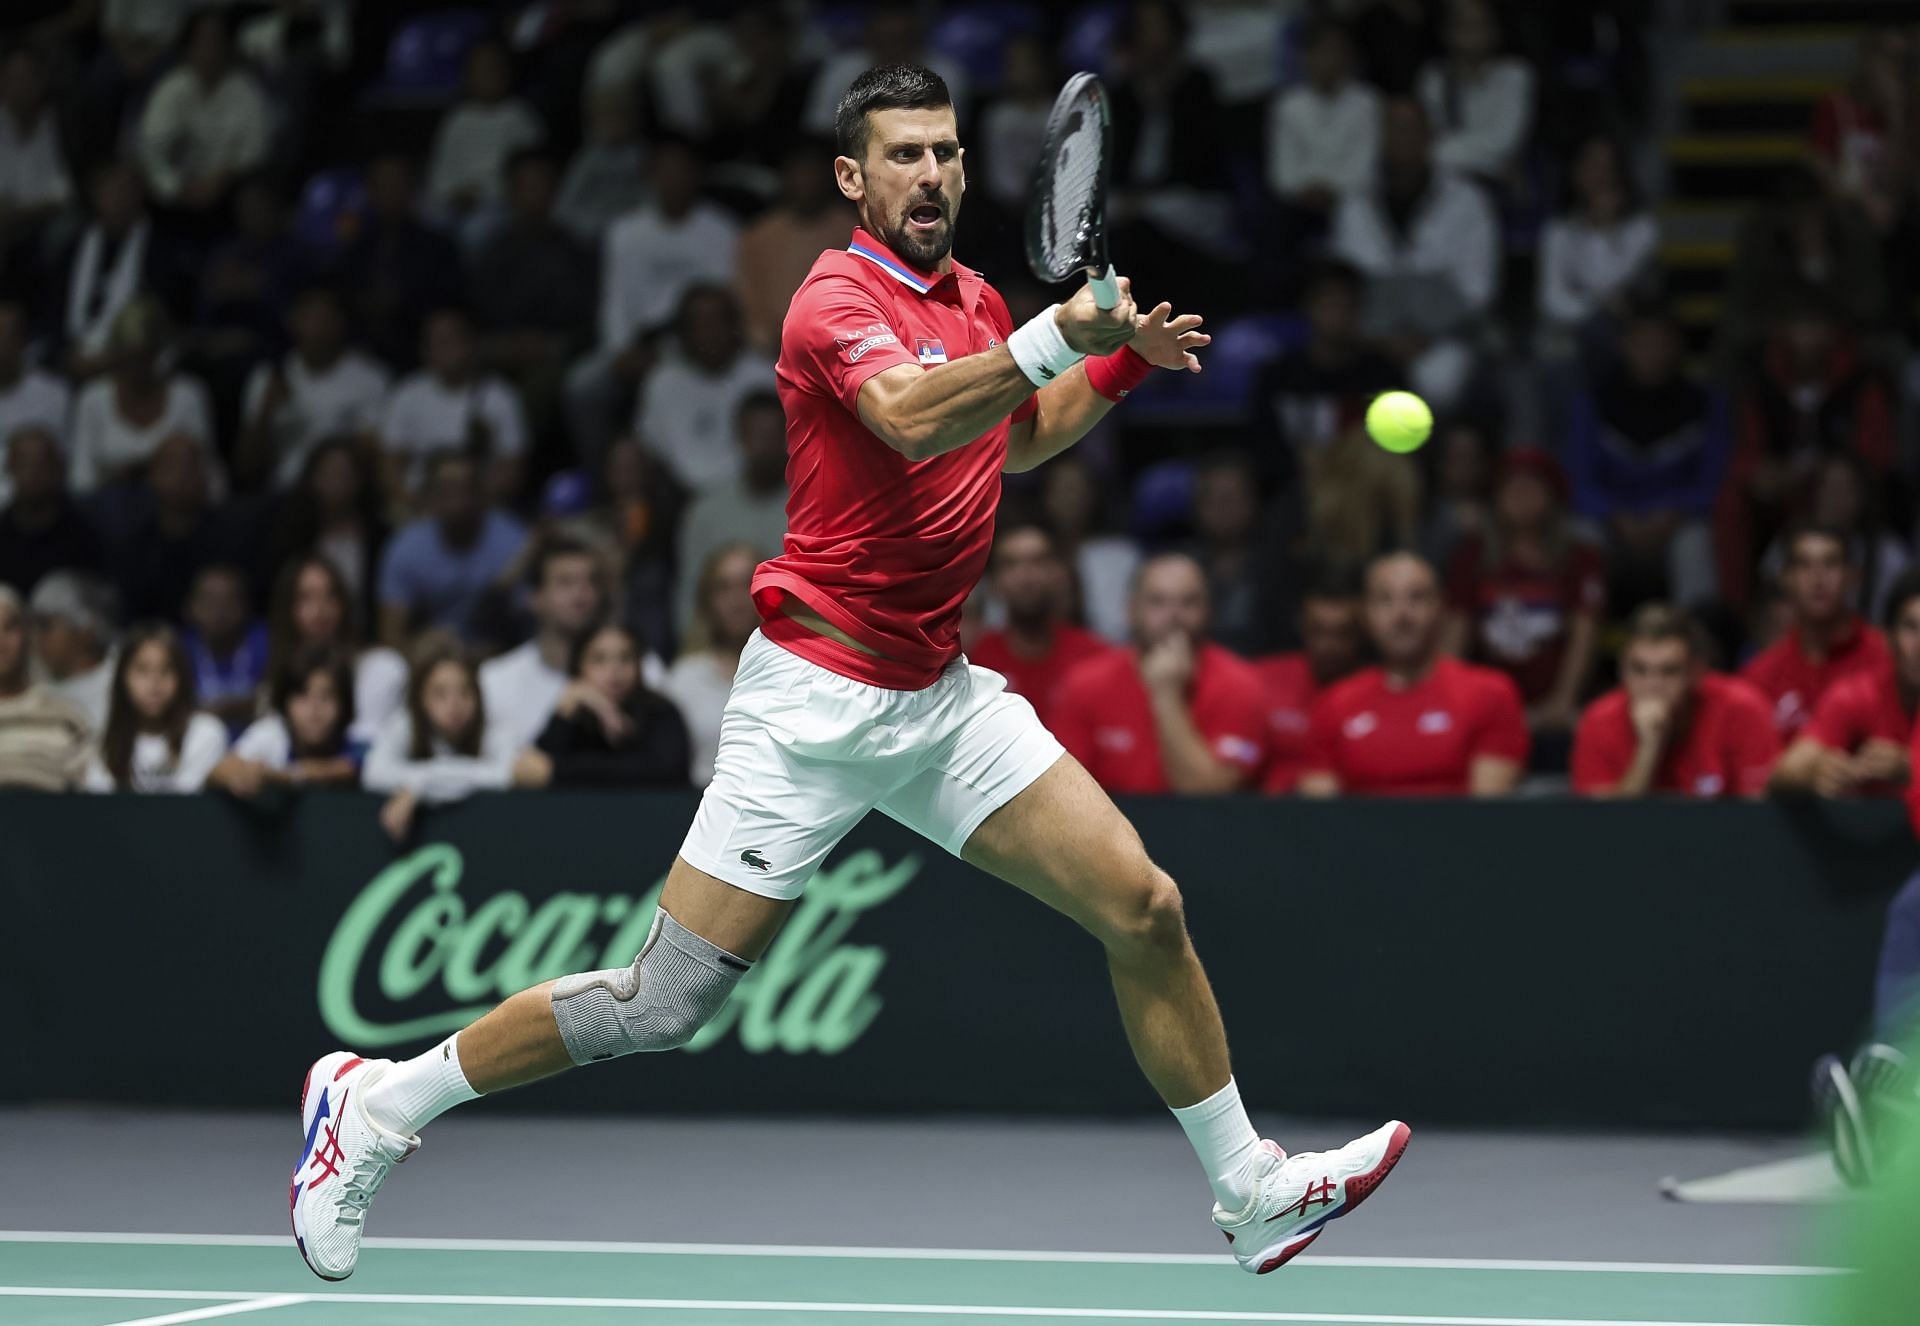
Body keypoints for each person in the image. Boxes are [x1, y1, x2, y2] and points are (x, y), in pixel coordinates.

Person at [291, 64, 1409, 1288]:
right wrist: (1051, 338)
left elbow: (1017, 438)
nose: (927, 174)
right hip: (814, 708)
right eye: (902, 156)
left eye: (944, 153)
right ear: (853, 178)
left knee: (1144, 906)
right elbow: (912, 417)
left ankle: (1246, 1188)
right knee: (660, 1007)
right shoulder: (829, 300)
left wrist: (1119, 365)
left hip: (941, 696)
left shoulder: (979, 296)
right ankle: (381, 1104)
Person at [1299, 550, 1528, 796]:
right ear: (1365, 614)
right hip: (1357, 834)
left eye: (1417, 598)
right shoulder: (1333, 704)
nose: (1402, 614)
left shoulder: (1490, 694)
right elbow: (1321, 820)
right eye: (1385, 600)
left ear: (1440, 607)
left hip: (1459, 833)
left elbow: (1489, 815)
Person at [1332, 97, 1499, 411]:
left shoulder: (1468, 201)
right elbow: (1345, 285)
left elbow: (1479, 289)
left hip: (1444, 340)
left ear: (1429, 135)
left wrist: (1425, 335)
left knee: (1440, 383)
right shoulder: (1353, 203)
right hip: (1371, 341)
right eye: (1394, 128)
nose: (1402, 137)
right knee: (1353, 389)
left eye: (1411, 128)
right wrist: (1380, 340)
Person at [1053, 553, 1269, 795]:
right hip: (1107, 829)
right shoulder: (1085, 683)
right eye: (1158, 602)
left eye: (1189, 602)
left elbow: (1208, 797)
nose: (1174, 616)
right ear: (1131, 609)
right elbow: (1065, 792)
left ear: (1208, 610)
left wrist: (1166, 694)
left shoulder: (1240, 685)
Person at [1565, 306, 1726, 611]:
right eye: (1642, 343)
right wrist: (1615, 514)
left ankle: (1698, 637)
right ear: (1624, 346)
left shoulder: (1705, 404)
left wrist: (1676, 512)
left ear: (1678, 347)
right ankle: (1579, 638)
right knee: (1581, 535)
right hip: (1613, 528)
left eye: (1661, 343)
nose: (1651, 353)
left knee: (1697, 540)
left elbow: (1714, 479)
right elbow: (1578, 479)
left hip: (1676, 526)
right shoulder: (1594, 403)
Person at [1442, 449, 1604, 744]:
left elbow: (1584, 632)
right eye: (1512, 487)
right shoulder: (1473, 554)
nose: (1521, 497)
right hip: (1485, 702)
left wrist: (1562, 701)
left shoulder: (1579, 557)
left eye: (1531, 487)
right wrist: (1447, 699)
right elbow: (1456, 630)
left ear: (1552, 496)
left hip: (1554, 705)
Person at [1571, 603, 1779, 798]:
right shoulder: (1598, 722)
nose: (1652, 685)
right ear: (1622, 671)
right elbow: (1601, 829)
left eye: (1669, 671)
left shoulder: (1742, 708)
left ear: (1695, 672)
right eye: (1639, 670)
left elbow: (1760, 817)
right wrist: (1648, 749)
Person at [1248, 261, 1397, 489]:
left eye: (1346, 306)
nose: (1338, 316)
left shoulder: (1383, 375)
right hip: (1295, 493)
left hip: (1367, 492)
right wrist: (1300, 462)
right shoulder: (1277, 376)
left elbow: (1398, 447)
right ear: (1308, 308)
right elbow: (1261, 450)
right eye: (1329, 305)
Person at [1773, 571, 1920, 798]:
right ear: (1889, 638)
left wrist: (1911, 770)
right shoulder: (1858, 695)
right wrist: (1816, 772)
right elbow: (1784, 773)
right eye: (1911, 628)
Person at [1742, 525, 1892, 741]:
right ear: (1786, 578)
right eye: (1804, 565)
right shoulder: (1759, 677)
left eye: (1830, 563)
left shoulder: (1888, 657)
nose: (1818, 577)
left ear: (1852, 574)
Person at [363, 633, 515, 841]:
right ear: (420, 699)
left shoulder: (491, 730)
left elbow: (508, 774)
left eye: (465, 692)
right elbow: (373, 772)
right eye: (440, 693)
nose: (455, 705)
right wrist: (423, 783)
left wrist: (419, 788)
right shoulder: (405, 724)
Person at [237, 286, 390, 491]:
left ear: (341, 323)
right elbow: (246, 466)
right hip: (283, 490)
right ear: (293, 322)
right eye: (307, 317)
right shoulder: (269, 377)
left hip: (343, 491)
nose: (316, 328)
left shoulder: (370, 379)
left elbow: (373, 455)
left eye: (324, 319)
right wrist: (266, 411)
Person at [631, 285, 776, 494]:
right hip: (682, 498)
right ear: (683, 332)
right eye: (699, 325)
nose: (709, 333)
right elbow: (651, 451)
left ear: (735, 325)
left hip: (756, 493)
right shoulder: (662, 383)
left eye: (716, 322)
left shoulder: (765, 376)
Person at [380, 308, 529, 508]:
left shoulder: (500, 396)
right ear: (425, 351)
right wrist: (413, 503)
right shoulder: (407, 396)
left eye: (453, 339)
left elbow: (512, 469)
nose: (447, 348)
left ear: (470, 343)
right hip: (419, 504)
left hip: (481, 507)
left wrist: (468, 505)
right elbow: (391, 466)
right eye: (439, 341)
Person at [971, 522, 1112, 733]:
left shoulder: (1095, 657)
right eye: (1011, 565)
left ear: (1059, 575)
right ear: (994, 583)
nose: (1025, 576)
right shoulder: (976, 662)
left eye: (1038, 561)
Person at [376, 451, 528, 647]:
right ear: (429, 495)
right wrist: (419, 649)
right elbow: (390, 635)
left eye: (464, 488)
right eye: (445, 489)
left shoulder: (515, 541)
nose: (456, 498)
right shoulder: (406, 549)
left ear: (481, 493)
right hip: (433, 657)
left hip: (504, 651)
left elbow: (530, 617)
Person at [67, 296, 216, 494]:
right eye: (127, 359)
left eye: (142, 358)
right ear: (115, 356)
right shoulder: (92, 399)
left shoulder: (188, 395)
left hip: (178, 507)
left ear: (156, 354)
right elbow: (81, 480)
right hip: (109, 510)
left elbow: (207, 471)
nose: (135, 368)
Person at [515, 621, 691, 789]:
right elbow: (528, 770)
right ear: (578, 667)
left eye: (625, 658)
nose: (614, 670)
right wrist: (568, 706)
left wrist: (559, 771)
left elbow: (665, 771)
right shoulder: (574, 715)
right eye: (599, 659)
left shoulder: (661, 711)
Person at [135, 8, 270, 220]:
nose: (209, 49)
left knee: (253, 195)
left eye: (216, 41)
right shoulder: (171, 88)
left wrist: (221, 178)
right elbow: (152, 149)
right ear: (188, 47)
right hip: (177, 192)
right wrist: (178, 187)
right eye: (202, 41)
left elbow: (256, 150)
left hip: (227, 191)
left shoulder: (246, 91)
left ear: (228, 46)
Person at [477, 534, 606, 752]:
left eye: (591, 582)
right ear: (534, 598)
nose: (581, 595)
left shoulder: (641, 670)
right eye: (566, 582)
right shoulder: (494, 682)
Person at [673, 392, 788, 636]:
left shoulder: (810, 509)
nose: (764, 445)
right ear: (739, 438)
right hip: (716, 644)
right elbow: (690, 592)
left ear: (789, 438)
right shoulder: (706, 511)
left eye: (772, 435)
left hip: (790, 643)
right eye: (755, 435)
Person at [336, 154, 464, 370]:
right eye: (382, 185)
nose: (390, 193)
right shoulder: (356, 249)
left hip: (422, 358)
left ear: (411, 190)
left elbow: (450, 304)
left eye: (397, 184)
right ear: (371, 192)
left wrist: (401, 302)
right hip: (361, 358)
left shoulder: (438, 246)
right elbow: (342, 301)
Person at [1535, 135, 1659, 359]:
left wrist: (1606, 229)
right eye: (1591, 164)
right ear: (1576, 172)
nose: (1600, 175)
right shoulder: (1559, 231)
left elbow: (1627, 288)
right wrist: (1598, 305)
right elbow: (1551, 299)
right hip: (1572, 333)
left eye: (1607, 166)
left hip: (1628, 331)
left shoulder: (1641, 229)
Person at [268, 553, 406, 746]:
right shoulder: (275, 681)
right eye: (306, 598)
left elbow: (369, 745)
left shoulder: (381, 667)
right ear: (288, 609)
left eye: (330, 595)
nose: (320, 608)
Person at [736, 137, 854, 357]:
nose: (806, 181)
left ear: (830, 177)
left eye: (813, 172)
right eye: (799, 171)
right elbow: (749, 301)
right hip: (770, 352)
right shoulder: (759, 235)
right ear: (785, 176)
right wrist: (769, 339)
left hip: (838, 347)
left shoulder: (853, 231)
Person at [423, 39, 543, 245]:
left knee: (475, 232)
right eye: (479, 70)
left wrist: (480, 196)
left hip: (500, 204)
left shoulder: (520, 117)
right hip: (454, 202)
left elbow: (526, 178)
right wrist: (454, 195)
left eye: (492, 68)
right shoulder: (457, 120)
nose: (487, 76)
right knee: (428, 221)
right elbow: (440, 174)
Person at [83, 622, 227, 792]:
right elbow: (99, 805)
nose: (155, 684)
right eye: (142, 670)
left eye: (166, 670)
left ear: (182, 678)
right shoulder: (104, 740)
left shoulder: (206, 733)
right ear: (122, 679)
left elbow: (187, 807)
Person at [1257, 573, 1366, 795]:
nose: (1328, 646)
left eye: (1341, 634)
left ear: (1359, 633)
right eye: (1319, 631)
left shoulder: (1378, 689)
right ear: (1302, 627)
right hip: (1268, 813)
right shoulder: (1261, 679)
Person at [661, 542, 758, 788]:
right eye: (723, 588)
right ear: (706, 601)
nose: (737, 600)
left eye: (747, 583)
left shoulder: (795, 669)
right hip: (698, 805)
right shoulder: (683, 678)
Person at [1266, 21, 1381, 224]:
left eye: (1336, 51)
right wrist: (1308, 190)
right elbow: (1282, 172)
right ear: (1305, 57)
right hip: (1298, 205)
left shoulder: (1367, 102)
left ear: (1349, 57)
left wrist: (1333, 191)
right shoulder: (1287, 106)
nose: (1329, 60)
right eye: (1321, 51)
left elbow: (1365, 167)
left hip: (1354, 204)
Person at [209, 643, 359, 797]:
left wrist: (279, 776)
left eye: (326, 697)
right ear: (285, 703)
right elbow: (220, 770)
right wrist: (236, 774)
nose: (314, 711)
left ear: (344, 704)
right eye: (303, 696)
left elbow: (346, 770)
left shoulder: (354, 738)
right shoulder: (271, 733)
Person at [1414, 0, 1533, 184]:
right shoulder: (1433, 77)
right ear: (1446, 31)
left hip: (1494, 186)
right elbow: (1426, 139)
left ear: (1495, 31)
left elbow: (1502, 142)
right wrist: (1488, 161)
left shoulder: (1514, 74)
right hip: (1443, 183)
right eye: (1461, 23)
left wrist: (1435, 153)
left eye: (1478, 23)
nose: (1469, 31)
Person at [1038, 454, 1139, 643]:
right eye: (1060, 489)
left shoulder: (1122, 555)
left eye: (1076, 489)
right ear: (1045, 496)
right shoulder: (1028, 554)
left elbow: (1130, 624)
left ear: (1092, 495)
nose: (1068, 498)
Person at [0, 583, 90, 790]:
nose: (1, 640)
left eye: (10, 627)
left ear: (27, 636)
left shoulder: (65, 718)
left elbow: (89, 798)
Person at [0, 427, 104, 596]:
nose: (33, 472)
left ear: (58, 468)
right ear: (9, 468)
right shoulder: (2, 531)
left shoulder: (84, 534)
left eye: (42, 463)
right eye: (23, 463)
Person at [182, 562, 269, 735]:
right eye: (209, 600)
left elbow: (276, 701)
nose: (219, 610)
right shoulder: (179, 650)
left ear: (245, 606)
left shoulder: (265, 642)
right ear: (191, 606)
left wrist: (226, 709)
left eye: (229, 600)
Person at [0, 301, 72, 507]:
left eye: (7, 335)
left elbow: (60, 465)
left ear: (22, 341)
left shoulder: (54, 394)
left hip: (33, 506)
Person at [28, 570, 116, 733]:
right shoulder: (30, 684)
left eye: (46, 625)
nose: (36, 637)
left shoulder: (123, 682)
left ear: (86, 630)